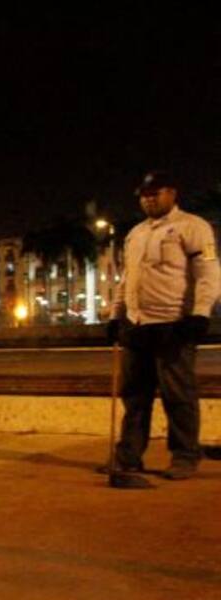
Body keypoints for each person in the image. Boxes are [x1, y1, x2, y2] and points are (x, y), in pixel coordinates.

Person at [106, 170, 219, 479]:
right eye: (144, 195)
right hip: (137, 325)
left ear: (173, 193)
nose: (149, 199)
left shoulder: (193, 227)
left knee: (178, 396)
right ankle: (128, 456)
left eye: (155, 193)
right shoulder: (136, 234)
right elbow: (128, 278)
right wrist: (116, 315)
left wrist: (200, 314)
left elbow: (208, 274)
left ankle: (184, 456)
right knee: (135, 397)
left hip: (173, 324)